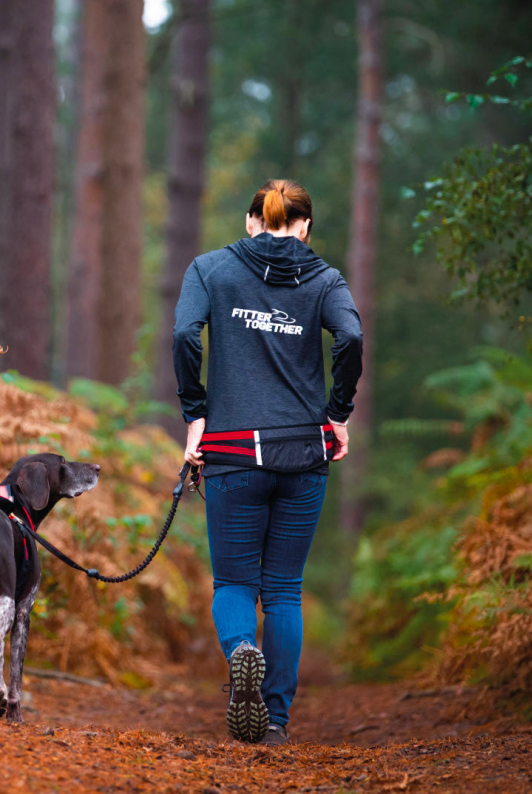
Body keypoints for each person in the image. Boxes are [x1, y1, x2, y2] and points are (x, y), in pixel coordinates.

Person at [172, 178, 363, 745]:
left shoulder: (210, 269)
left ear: (252, 221)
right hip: (304, 451)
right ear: (304, 227)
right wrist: (338, 412)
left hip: (231, 451)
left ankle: (241, 651)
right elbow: (350, 336)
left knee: (234, 580)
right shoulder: (325, 278)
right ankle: (275, 719)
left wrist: (195, 412)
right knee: (282, 588)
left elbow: (185, 332)